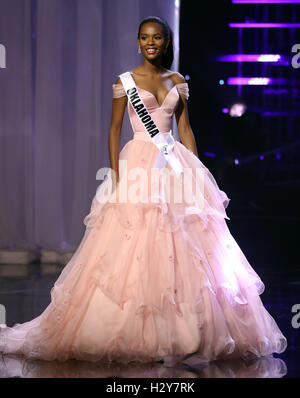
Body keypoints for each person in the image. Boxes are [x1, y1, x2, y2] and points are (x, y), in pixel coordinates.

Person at [0, 16, 287, 366]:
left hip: (174, 164)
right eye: (144, 38)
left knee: (185, 244)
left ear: (165, 42)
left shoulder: (178, 82)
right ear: (138, 42)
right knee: (134, 241)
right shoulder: (125, 82)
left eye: (156, 38)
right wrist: (118, 175)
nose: (150, 43)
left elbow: (184, 128)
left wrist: (195, 172)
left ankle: (187, 330)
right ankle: (131, 326)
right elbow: (114, 129)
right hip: (138, 163)